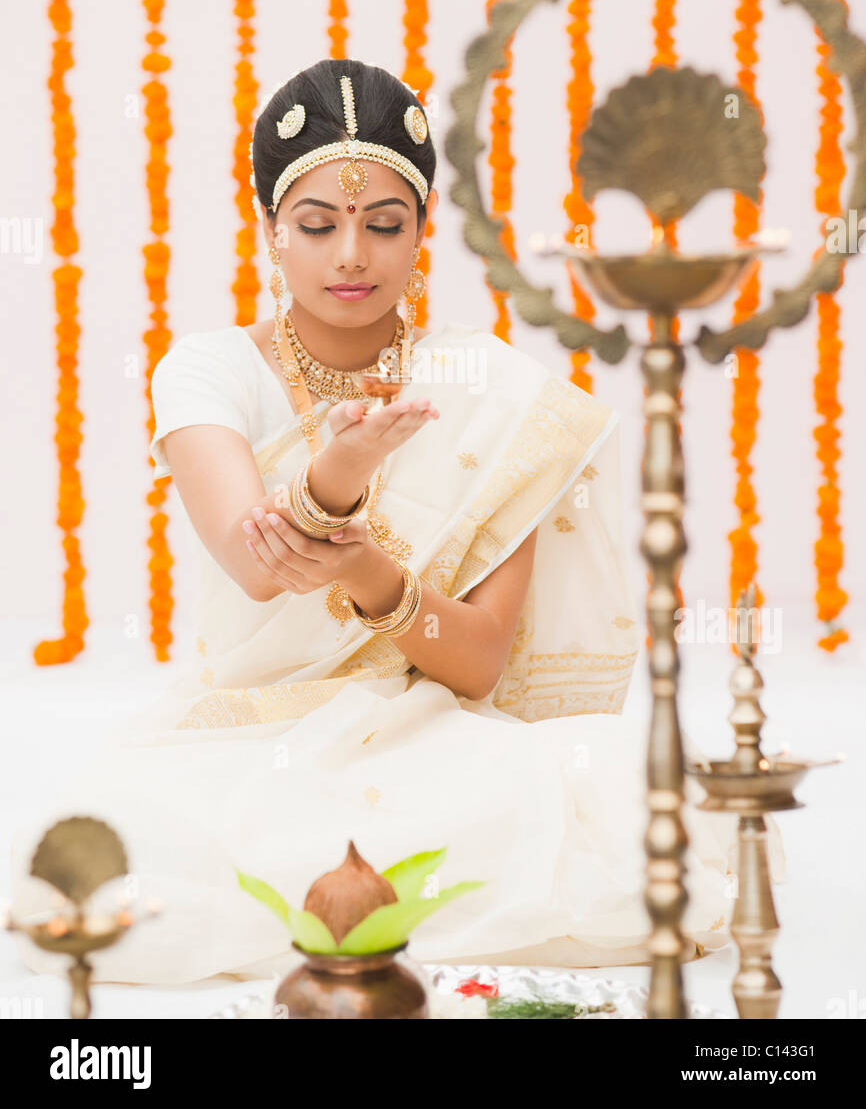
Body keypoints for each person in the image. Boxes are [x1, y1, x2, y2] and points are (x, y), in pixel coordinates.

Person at [9, 59, 782, 986]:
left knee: (638, 802)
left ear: (420, 234)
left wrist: (368, 567)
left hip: (438, 733)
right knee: (126, 853)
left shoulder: (495, 401)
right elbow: (256, 562)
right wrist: (338, 474)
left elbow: (480, 663)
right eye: (317, 225)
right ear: (270, 231)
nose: (351, 256)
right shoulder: (208, 370)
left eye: (384, 225)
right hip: (246, 736)